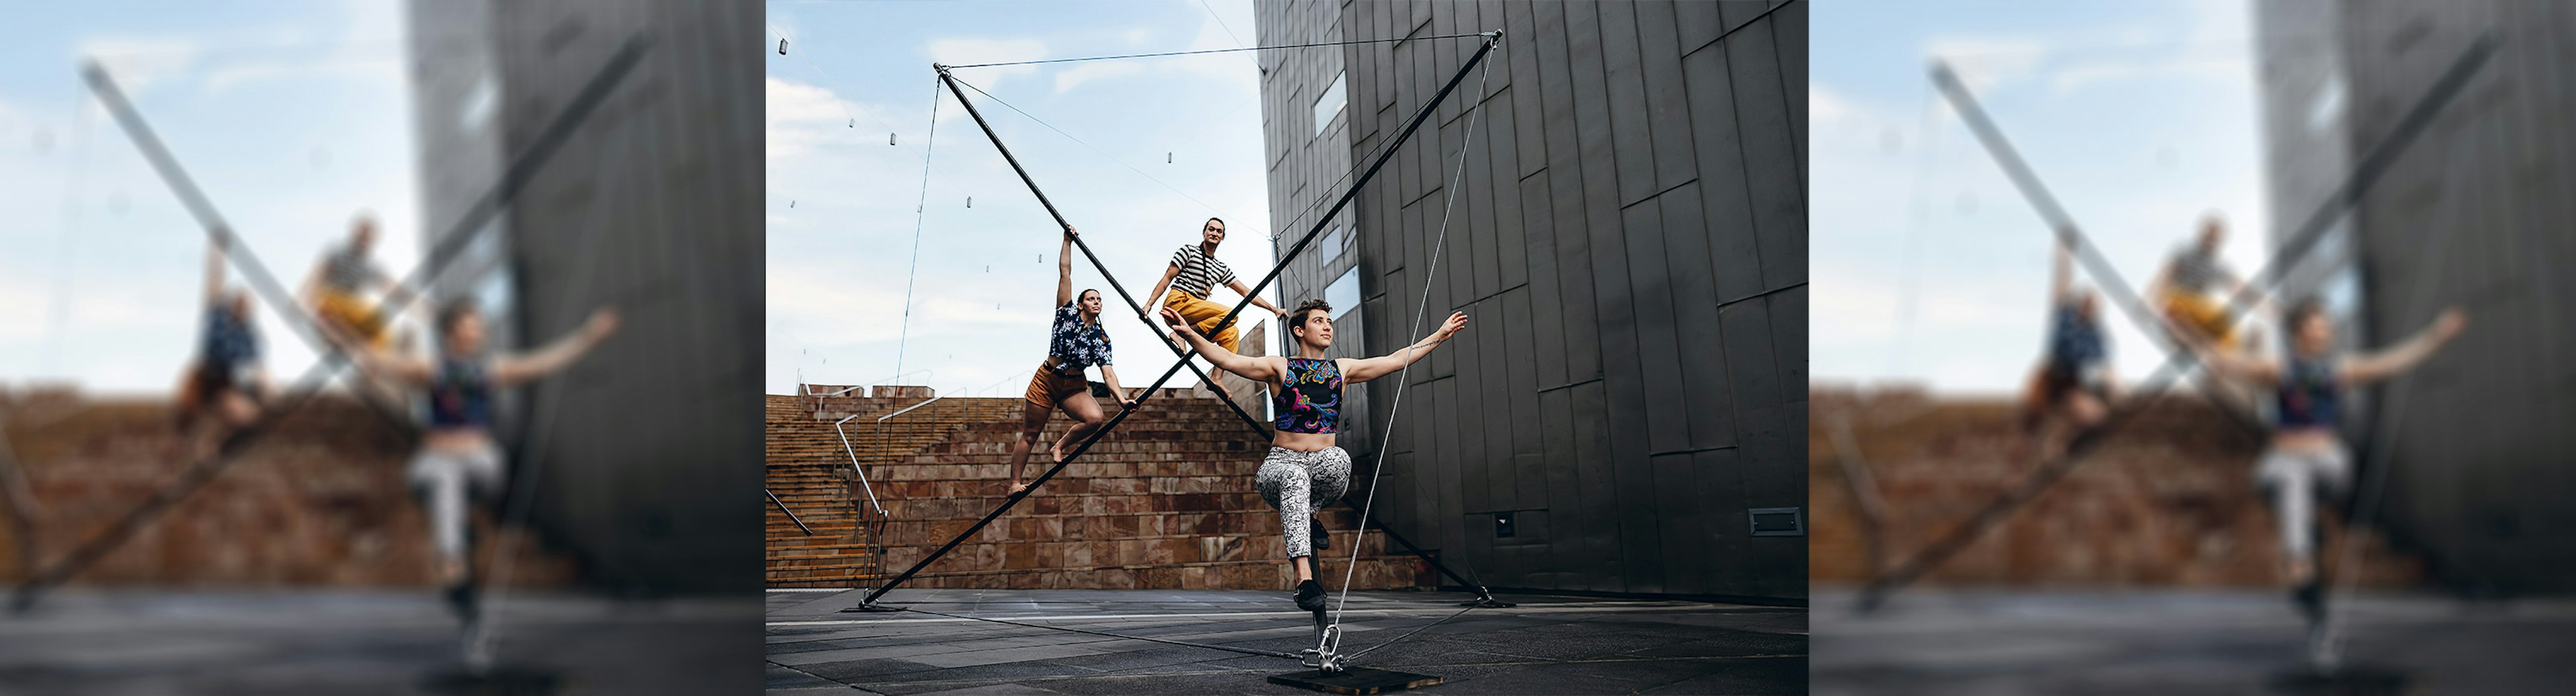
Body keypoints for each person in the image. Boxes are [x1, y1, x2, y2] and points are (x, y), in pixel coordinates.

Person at [1161, 297, 1468, 611]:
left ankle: (1309, 515)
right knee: (1295, 476)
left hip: (1320, 466)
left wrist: (1439, 335)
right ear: (1299, 330)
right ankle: (1304, 580)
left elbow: (1395, 359)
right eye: (1319, 321)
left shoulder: (1343, 369)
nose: (1327, 327)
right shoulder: (1279, 367)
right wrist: (1189, 334)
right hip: (1279, 468)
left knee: (1340, 459)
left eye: (1329, 322)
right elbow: (1227, 360)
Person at [337, 297, 619, 630]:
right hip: (438, 459)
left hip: (480, 460)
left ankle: (464, 533)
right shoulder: (432, 367)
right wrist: (344, 340)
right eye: (470, 324)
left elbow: (543, 363)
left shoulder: (492, 369)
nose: (477, 330)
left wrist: (588, 337)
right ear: (451, 332)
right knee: (442, 487)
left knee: (484, 472)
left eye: (479, 325)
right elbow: (378, 362)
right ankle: (456, 580)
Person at [2188, 299, 2465, 629]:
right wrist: (2198, 345)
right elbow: (2228, 362)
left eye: (2326, 325)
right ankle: (2304, 582)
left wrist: (2435, 337)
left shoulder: (2339, 368)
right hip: (2285, 459)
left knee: (2334, 471)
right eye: (2317, 324)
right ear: (2297, 332)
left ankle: (2311, 529)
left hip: (2327, 460)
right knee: (2290, 490)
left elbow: (2390, 363)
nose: (2325, 331)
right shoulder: (2279, 368)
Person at [1008, 227, 1136, 495]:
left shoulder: (1101, 338)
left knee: (1094, 418)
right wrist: (1067, 241)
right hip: (1047, 380)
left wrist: (1121, 399)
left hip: (1074, 386)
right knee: (1031, 434)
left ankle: (1060, 446)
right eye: (1091, 298)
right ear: (1080, 304)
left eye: (1100, 299)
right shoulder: (1066, 314)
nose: (1097, 301)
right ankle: (1014, 484)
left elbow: (1108, 374)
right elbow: (1065, 273)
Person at [2020, 229, 2115, 459]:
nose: (2088, 307)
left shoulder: (2098, 335)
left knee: (2095, 417)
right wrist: (2065, 251)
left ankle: (2060, 446)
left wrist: (2111, 386)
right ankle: (2036, 440)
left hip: (2073, 381)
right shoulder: (2065, 316)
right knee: (2032, 417)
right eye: (2085, 303)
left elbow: (2104, 366)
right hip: (2050, 374)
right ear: (2080, 304)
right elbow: (2062, 281)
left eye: (2093, 306)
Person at [173, 235, 268, 456]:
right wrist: (217, 252)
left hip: (225, 382)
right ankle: (182, 442)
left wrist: (264, 386)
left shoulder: (251, 335)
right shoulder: (217, 316)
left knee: (248, 415)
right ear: (233, 304)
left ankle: (213, 443)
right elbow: (214, 280)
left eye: (246, 307)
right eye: (238, 303)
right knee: (185, 416)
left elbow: (258, 368)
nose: (241, 308)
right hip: (202, 375)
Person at [1142, 217, 1286, 359]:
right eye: (1211, 229)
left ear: (1223, 237)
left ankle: (1216, 377)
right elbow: (1167, 278)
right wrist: (1149, 305)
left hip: (1194, 317)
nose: (1214, 233)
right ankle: (1181, 335)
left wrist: (1274, 309)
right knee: (1231, 314)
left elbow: (1247, 293)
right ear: (1204, 232)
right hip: (1179, 303)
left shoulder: (1220, 268)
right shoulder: (1189, 251)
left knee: (1232, 333)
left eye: (1219, 231)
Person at [303, 213, 408, 352]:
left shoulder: (371, 266)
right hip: (332, 297)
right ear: (354, 234)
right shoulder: (337, 252)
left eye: (367, 238)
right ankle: (333, 334)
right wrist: (305, 303)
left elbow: (393, 289)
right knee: (330, 306)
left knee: (380, 324)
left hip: (350, 307)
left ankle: (373, 356)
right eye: (361, 236)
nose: (363, 241)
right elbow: (316, 277)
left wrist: (427, 312)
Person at [2148, 213, 2253, 350]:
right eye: (2209, 235)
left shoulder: (2218, 266)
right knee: (2176, 305)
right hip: (2179, 296)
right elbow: (2163, 277)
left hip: (2198, 305)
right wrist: (2152, 302)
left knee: (2226, 319)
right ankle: (2181, 334)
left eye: (2214, 238)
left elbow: (2239, 288)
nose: (2211, 241)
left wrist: (2273, 311)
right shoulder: (2184, 252)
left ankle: (2219, 354)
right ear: (2202, 234)